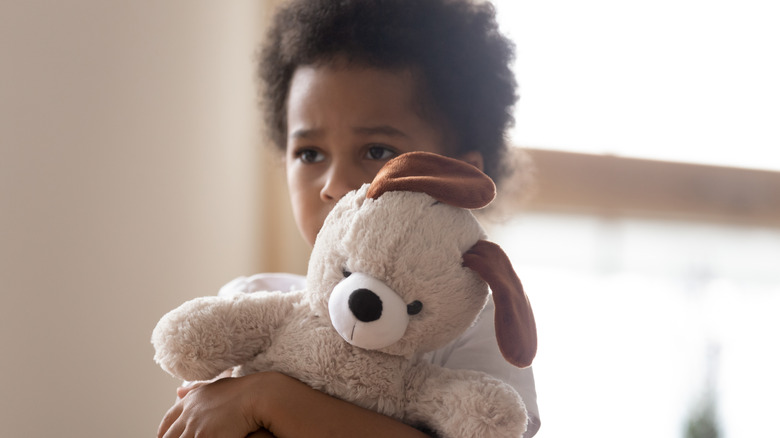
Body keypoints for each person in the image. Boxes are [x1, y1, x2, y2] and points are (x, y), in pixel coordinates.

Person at [158, 0, 540, 436]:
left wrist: (270, 399)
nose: (334, 185)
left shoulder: (476, 328)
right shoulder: (253, 301)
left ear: (459, 178)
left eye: (377, 151)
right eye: (309, 153)